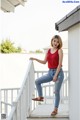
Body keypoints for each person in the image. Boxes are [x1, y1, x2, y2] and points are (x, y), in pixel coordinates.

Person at [30, 35, 64, 116]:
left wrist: (55, 76)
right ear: (52, 41)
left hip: (58, 73)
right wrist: (35, 59)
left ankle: (55, 109)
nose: (56, 43)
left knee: (56, 92)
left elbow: (59, 65)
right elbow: (44, 62)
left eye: (57, 41)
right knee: (37, 81)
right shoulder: (48, 51)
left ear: (59, 43)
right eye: (54, 41)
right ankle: (40, 97)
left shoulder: (60, 51)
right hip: (50, 72)